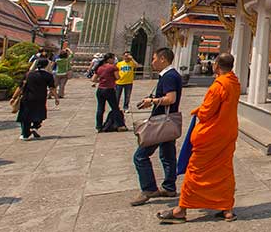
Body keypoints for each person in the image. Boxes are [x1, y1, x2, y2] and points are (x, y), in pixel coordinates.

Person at [156, 54, 240, 224]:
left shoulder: (218, 86)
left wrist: (198, 111)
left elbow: (207, 112)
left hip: (212, 135)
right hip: (227, 132)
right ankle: (227, 209)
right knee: (224, 171)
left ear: (216, 65)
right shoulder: (234, 83)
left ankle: (181, 209)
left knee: (195, 171)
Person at [132, 48, 182, 206]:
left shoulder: (169, 76)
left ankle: (148, 188)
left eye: (154, 58)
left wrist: (152, 102)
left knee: (140, 156)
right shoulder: (170, 75)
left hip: (161, 123)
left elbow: (171, 98)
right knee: (167, 155)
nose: (152, 62)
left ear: (163, 59)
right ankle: (169, 187)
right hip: (167, 122)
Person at [15, 57, 59, 140]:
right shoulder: (48, 76)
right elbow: (52, 88)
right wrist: (56, 98)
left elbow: (20, 87)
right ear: (46, 65)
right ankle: (34, 127)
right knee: (39, 114)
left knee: (26, 116)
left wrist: (14, 97)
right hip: (40, 98)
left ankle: (25, 134)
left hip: (27, 97)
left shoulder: (28, 74)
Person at [91, 53, 120, 132]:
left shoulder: (100, 68)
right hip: (109, 89)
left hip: (100, 89)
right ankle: (119, 124)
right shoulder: (113, 67)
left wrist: (101, 80)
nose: (114, 60)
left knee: (100, 108)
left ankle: (98, 126)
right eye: (113, 59)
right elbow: (118, 77)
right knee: (115, 108)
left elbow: (93, 79)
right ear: (109, 59)